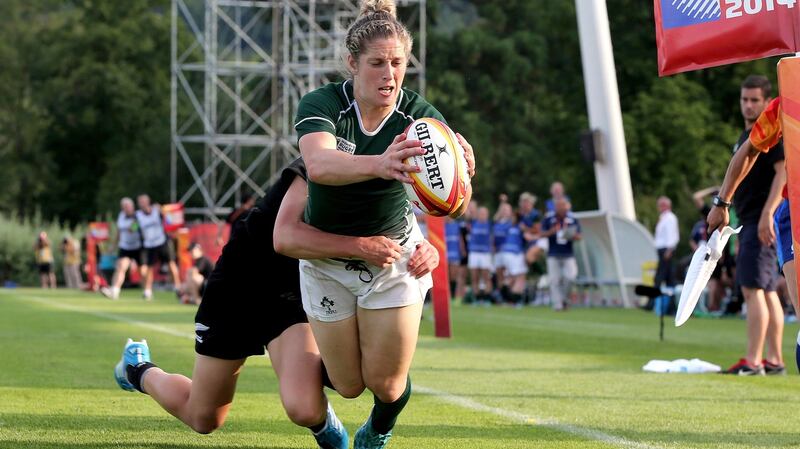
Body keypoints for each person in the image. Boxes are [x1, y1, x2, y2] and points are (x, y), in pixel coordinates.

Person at [113, 159, 442, 448]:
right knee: (204, 418)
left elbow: (398, 223)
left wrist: (424, 247)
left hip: (292, 290)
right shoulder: (317, 165)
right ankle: (137, 368)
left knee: (304, 408)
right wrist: (360, 246)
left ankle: (330, 425)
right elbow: (286, 239)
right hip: (239, 286)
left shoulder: (383, 170)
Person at [275, 1, 476, 446]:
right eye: (377, 63)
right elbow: (320, 165)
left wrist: (462, 181)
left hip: (392, 259)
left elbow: (451, 204)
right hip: (328, 262)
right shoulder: (323, 102)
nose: (390, 74)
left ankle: (379, 429)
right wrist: (382, 163)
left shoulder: (420, 118)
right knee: (348, 384)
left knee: (385, 384)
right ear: (352, 64)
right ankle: (299, 373)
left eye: (398, 63)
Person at [707, 75, 785, 375]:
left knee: (752, 289)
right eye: (745, 99)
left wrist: (768, 213)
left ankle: (753, 361)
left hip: (759, 220)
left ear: (767, 102)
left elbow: (784, 173)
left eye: (755, 100)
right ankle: (774, 360)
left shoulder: (771, 133)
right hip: (752, 220)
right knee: (765, 291)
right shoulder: (747, 135)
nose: (749, 105)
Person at [136, 194, 180, 300]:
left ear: (148, 201)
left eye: (143, 201)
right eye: (140, 202)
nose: (141, 204)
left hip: (162, 242)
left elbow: (170, 218)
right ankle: (148, 291)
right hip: (148, 245)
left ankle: (179, 287)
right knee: (148, 268)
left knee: (171, 264)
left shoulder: (157, 210)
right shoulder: (137, 215)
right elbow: (134, 227)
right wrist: (132, 227)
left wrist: (162, 210)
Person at [541, 198, 581, 311]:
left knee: (571, 277)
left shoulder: (572, 219)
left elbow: (580, 235)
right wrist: (551, 232)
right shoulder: (549, 219)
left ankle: (565, 300)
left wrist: (572, 235)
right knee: (554, 280)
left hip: (568, 253)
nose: (562, 208)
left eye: (564, 205)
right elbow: (541, 233)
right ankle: (557, 305)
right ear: (555, 207)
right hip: (553, 253)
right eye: (559, 206)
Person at [102, 198, 143, 300]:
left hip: (137, 246)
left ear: (132, 207)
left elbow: (134, 228)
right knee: (120, 267)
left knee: (142, 271)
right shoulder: (121, 216)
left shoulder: (138, 215)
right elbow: (119, 232)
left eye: (127, 206)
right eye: (124, 207)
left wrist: (134, 224)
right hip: (125, 246)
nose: (126, 209)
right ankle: (114, 291)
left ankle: (147, 290)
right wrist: (114, 245)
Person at [495, 213, 528, 305]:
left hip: (516, 253)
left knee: (516, 277)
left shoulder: (519, 227)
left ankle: (507, 297)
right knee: (517, 277)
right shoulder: (508, 226)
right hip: (512, 253)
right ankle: (512, 299)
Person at [468, 206, 493, 304]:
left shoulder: (490, 224)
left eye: (484, 213)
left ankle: (486, 298)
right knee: (474, 277)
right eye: (481, 213)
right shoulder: (473, 223)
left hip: (485, 253)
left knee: (486, 276)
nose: (482, 215)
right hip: (474, 252)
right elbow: (467, 213)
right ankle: (476, 298)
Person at [653, 196, 679, 291]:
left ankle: (653, 300)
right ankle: (669, 303)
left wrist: (669, 250)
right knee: (669, 277)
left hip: (666, 250)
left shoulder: (670, 218)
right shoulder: (663, 217)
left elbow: (672, 235)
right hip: (663, 250)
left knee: (660, 276)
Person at [492, 202, 514, 300]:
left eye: (507, 210)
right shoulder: (497, 223)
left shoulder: (511, 222)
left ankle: (511, 296)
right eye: (503, 210)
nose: (505, 212)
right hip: (498, 252)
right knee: (499, 274)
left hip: (508, 252)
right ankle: (502, 297)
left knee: (509, 274)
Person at [444, 215, 467, 301]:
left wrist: (463, 250)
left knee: (454, 275)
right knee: (446, 275)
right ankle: (447, 295)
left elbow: (460, 239)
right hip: (445, 253)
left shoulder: (456, 226)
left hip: (454, 253)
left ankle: (453, 296)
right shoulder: (442, 226)